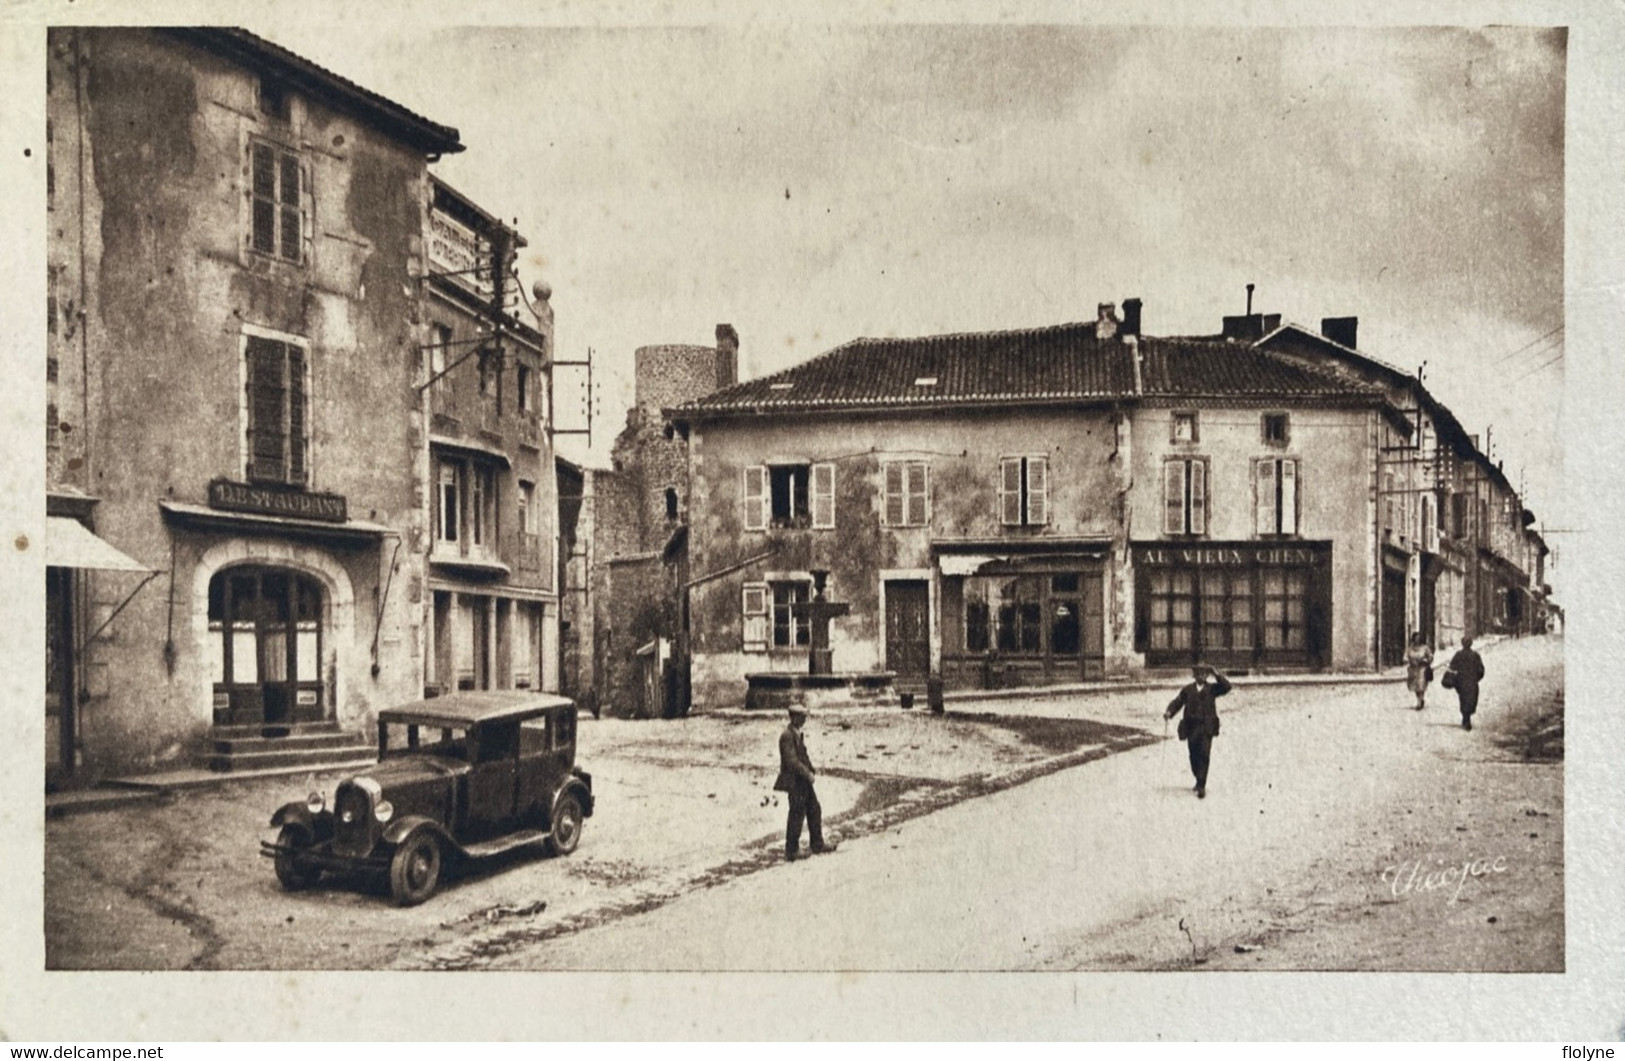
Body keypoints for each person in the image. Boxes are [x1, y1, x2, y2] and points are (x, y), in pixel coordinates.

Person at [773, 706, 837, 861]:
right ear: (794, 717)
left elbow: (803, 755)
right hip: (795, 780)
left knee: (814, 809)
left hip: (803, 780)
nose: (804, 720)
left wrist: (811, 769)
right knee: (796, 813)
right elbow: (791, 761)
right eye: (802, 717)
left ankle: (817, 843)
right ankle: (791, 850)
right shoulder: (787, 736)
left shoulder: (796, 734)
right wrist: (807, 773)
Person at [1164, 663, 1231, 799]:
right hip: (1192, 727)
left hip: (1206, 727)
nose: (1201, 675)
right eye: (1198, 673)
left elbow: (1227, 687)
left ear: (1207, 675)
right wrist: (1169, 712)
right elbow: (1178, 702)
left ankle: (1201, 785)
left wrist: (1216, 674)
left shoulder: (1212, 689)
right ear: (1194, 675)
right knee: (1194, 755)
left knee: (1205, 754)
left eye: (1204, 673)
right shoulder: (1187, 690)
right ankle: (1197, 777)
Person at [1447, 635, 1487, 731]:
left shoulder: (1458, 654)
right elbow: (1481, 670)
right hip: (1472, 682)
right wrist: (1476, 678)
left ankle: (1466, 718)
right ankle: (1467, 719)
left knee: (1463, 699)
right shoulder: (1475, 655)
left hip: (1461, 682)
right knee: (1471, 700)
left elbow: (1452, 666)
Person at [1404, 631, 1435, 710]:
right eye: (1416, 638)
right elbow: (1405, 657)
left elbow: (1430, 656)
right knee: (1415, 686)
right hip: (1413, 669)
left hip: (1422, 669)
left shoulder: (1425, 648)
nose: (1417, 640)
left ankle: (1420, 701)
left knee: (1421, 685)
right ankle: (1419, 699)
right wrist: (1408, 661)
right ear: (1413, 639)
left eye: (1419, 638)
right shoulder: (1410, 648)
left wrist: (1426, 660)